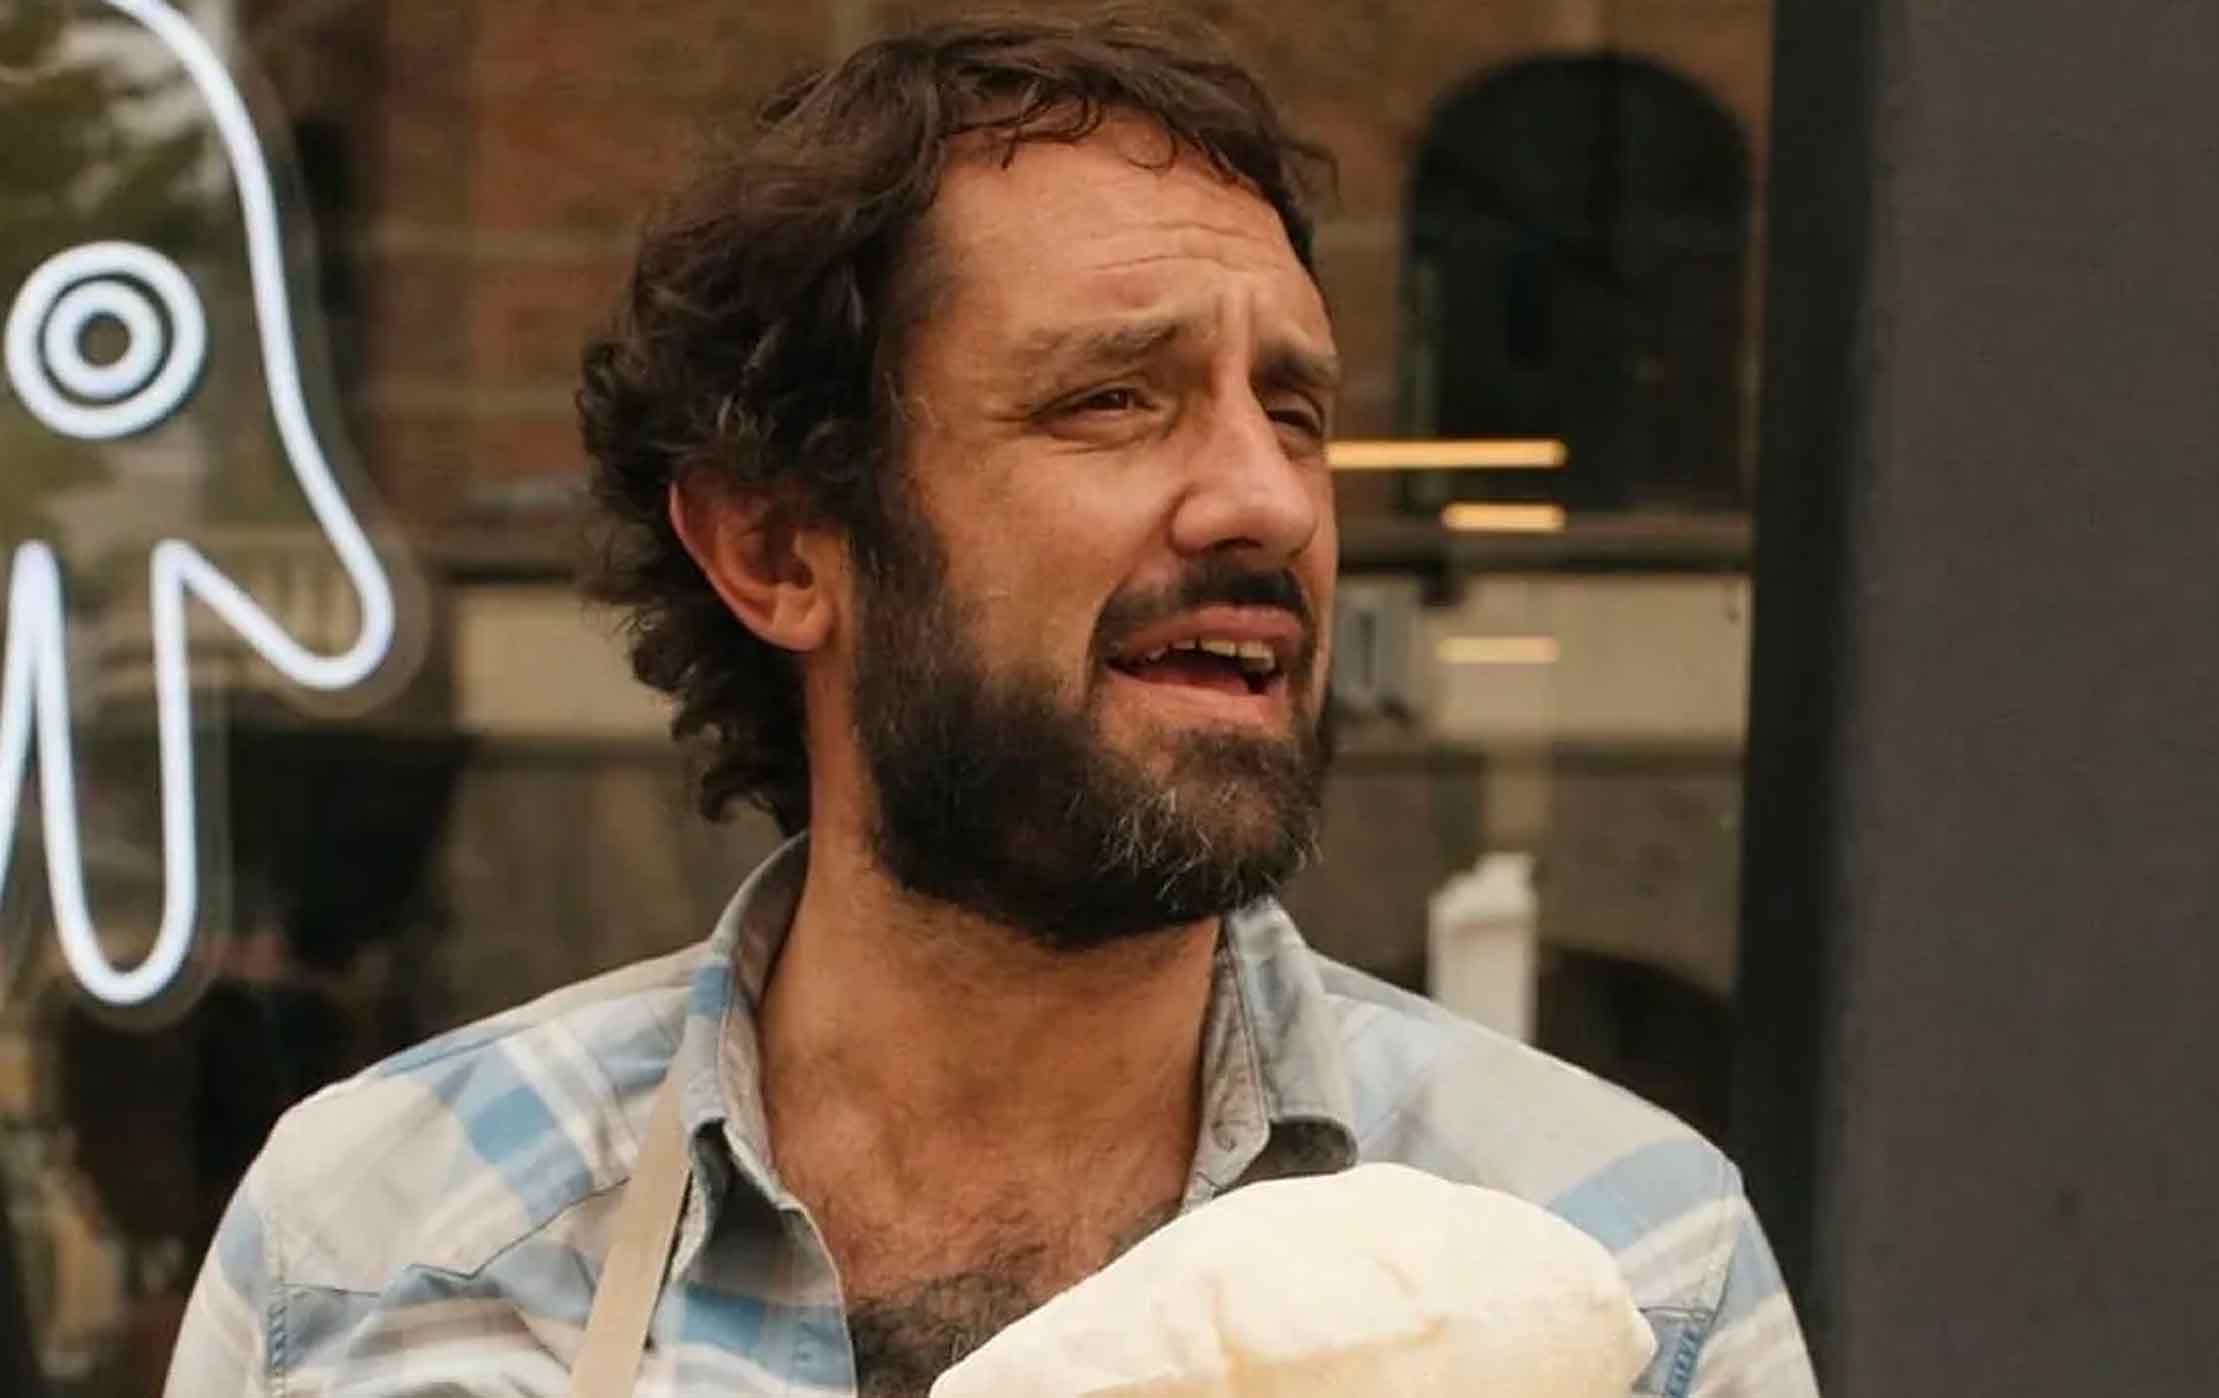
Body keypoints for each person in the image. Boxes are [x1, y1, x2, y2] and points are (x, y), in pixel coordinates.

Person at [166, 12, 1818, 1396]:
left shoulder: (1625, 1269)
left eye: (1295, 409)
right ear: (775, 546)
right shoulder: (376, 1248)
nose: (1266, 499)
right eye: (1113, 399)